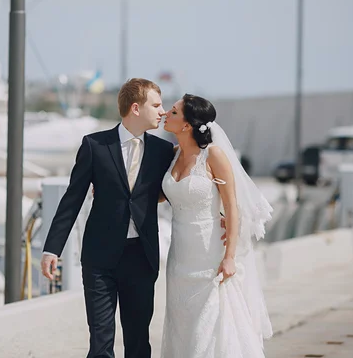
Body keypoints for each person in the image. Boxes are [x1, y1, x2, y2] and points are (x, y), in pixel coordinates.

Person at [40, 78, 174, 358]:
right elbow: (72, 199)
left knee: (138, 343)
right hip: (99, 259)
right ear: (135, 108)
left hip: (142, 257)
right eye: (156, 105)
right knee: (100, 342)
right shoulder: (94, 145)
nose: (163, 111)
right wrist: (52, 247)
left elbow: (178, 192)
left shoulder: (163, 152)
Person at [160, 94, 273, 357]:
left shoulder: (213, 156)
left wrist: (230, 257)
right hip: (179, 261)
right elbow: (161, 194)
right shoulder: (173, 155)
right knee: (183, 325)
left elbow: (232, 206)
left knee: (212, 325)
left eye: (174, 112)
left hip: (209, 256)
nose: (166, 113)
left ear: (187, 125)